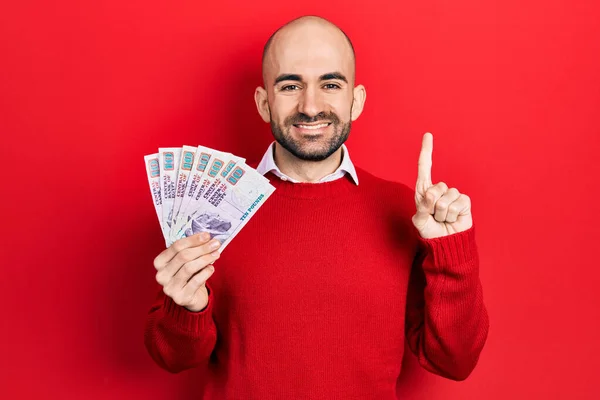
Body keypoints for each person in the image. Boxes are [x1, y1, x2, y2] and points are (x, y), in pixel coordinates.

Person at [144, 15, 489, 399]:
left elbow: (454, 361)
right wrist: (187, 308)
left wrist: (451, 253)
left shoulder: (404, 211)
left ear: (355, 101)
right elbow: (173, 358)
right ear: (263, 103)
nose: (311, 106)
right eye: (290, 85)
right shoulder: (213, 205)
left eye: (330, 84)